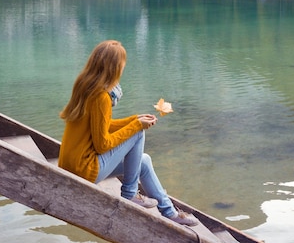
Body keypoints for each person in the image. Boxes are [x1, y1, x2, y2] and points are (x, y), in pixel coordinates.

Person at [58, 39, 198, 226]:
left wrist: (134, 119)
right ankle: (130, 194)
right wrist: (136, 126)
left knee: (144, 161)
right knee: (138, 134)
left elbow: (102, 125)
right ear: (114, 68)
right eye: (122, 65)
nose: (123, 69)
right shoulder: (101, 97)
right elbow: (102, 145)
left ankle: (169, 212)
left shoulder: (85, 84)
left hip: (71, 164)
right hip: (85, 170)